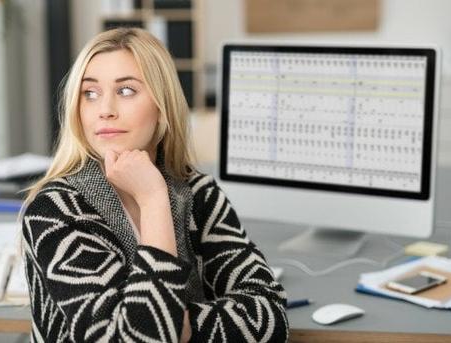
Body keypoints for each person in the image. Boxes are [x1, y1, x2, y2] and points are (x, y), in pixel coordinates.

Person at [20, 27, 289, 342]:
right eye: (89, 93)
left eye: (126, 91)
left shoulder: (198, 192)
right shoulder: (55, 211)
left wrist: (178, 324)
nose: (104, 109)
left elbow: (270, 318)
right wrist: (152, 201)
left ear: (162, 106)